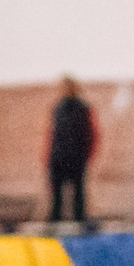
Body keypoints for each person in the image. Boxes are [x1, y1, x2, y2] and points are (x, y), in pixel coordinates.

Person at [47, 76, 95, 223]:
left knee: (78, 196)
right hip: (58, 157)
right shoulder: (58, 108)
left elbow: (92, 134)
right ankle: (55, 223)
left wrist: (86, 155)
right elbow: (52, 135)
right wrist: (50, 157)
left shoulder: (83, 108)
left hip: (76, 157)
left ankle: (79, 223)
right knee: (57, 197)